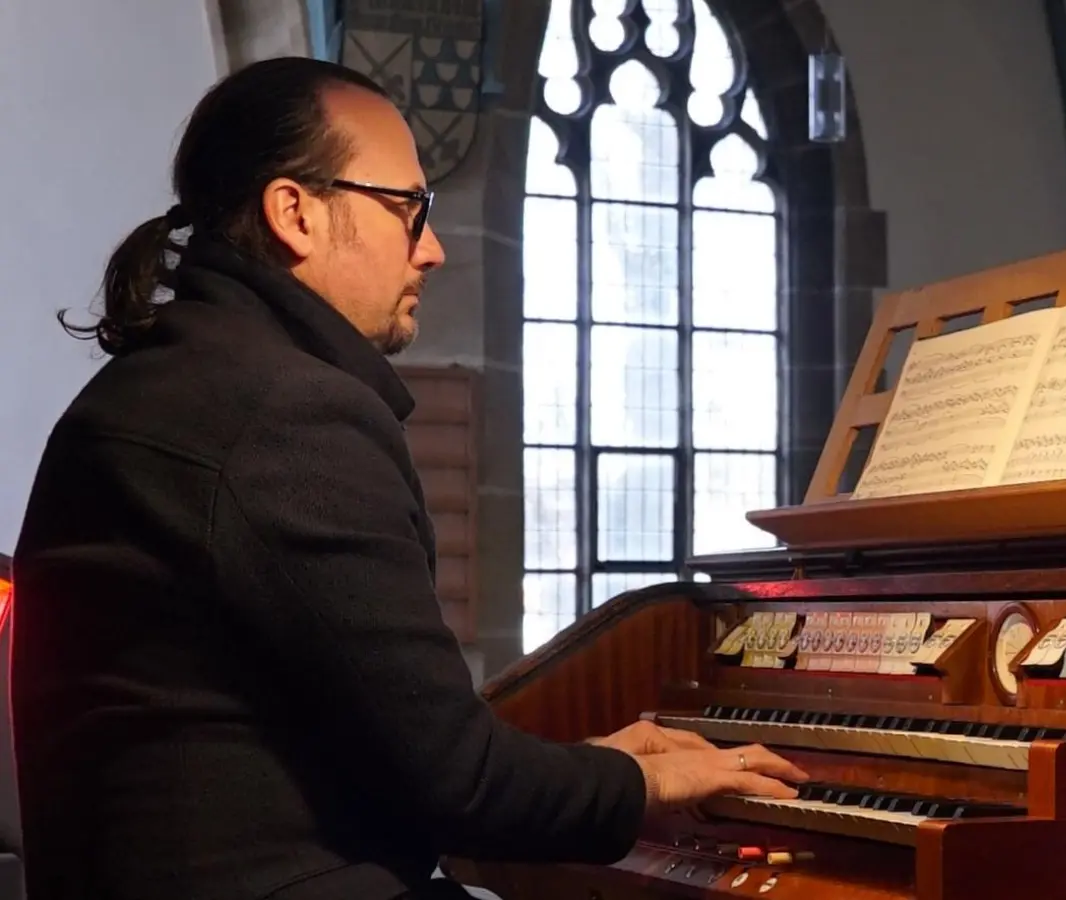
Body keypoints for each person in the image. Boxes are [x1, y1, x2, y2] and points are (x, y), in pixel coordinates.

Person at [9, 57, 805, 900]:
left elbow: (385, 747)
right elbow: (458, 785)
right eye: (406, 209)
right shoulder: (285, 412)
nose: (432, 248)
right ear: (295, 213)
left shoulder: (184, 375)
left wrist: (598, 765)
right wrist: (646, 783)